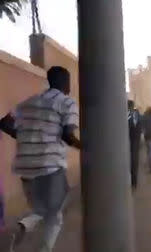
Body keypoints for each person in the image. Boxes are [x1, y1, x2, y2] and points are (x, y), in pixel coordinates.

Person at [0, 66, 81, 252]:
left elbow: (4, 123)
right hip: (49, 167)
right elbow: (68, 135)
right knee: (55, 212)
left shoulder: (28, 102)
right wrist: (87, 148)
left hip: (25, 167)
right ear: (65, 83)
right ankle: (22, 229)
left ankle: (20, 229)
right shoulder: (67, 103)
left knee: (44, 211)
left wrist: (22, 136)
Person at [128, 100, 142, 190]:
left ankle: (132, 182)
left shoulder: (129, 114)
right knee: (134, 161)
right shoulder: (137, 114)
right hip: (135, 140)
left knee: (132, 161)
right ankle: (134, 182)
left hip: (130, 140)